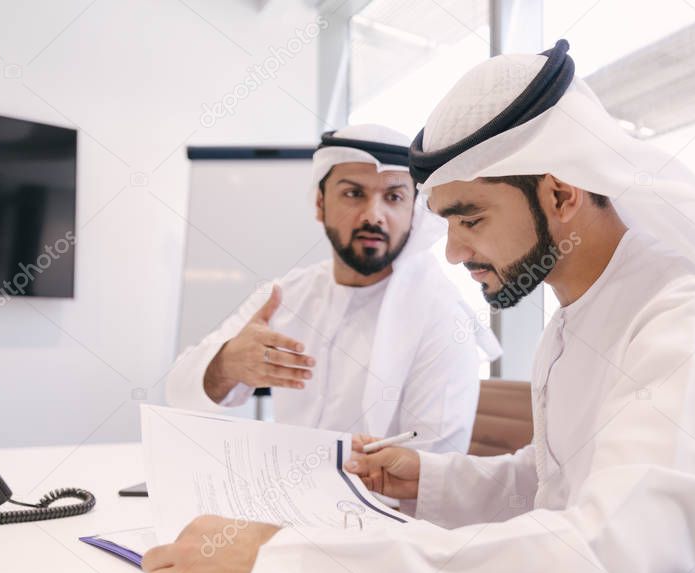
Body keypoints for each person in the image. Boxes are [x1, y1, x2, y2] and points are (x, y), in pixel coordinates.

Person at [144, 42, 695, 573]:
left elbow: (613, 572)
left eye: (469, 217)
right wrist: (432, 480)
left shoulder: (687, 315)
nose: (450, 251)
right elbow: (561, 483)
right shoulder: (582, 308)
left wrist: (280, 571)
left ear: (560, 194)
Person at [165, 124, 499, 454]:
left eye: (394, 197)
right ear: (320, 204)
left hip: (379, 507)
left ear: (414, 212)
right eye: (354, 194)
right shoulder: (288, 296)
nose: (373, 215)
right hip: (279, 494)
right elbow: (179, 392)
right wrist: (226, 364)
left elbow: (430, 471)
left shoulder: (440, 317)